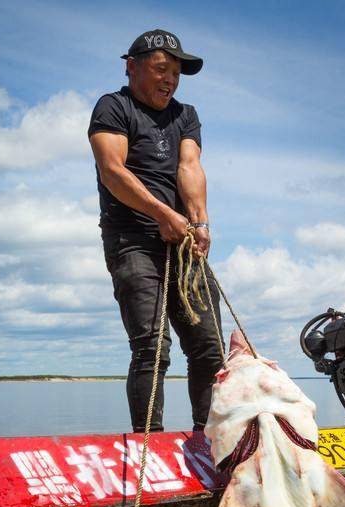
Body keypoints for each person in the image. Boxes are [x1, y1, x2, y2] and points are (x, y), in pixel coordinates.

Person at [88, 29, 223, 433]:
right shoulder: (113, 108)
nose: (170, 80)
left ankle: (209, 436)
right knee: (152, 347)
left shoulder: (186, 115)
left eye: (177, 73)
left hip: (182, 241)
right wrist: (161, 213)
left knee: (209, 346)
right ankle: (152, 441)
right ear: (132, 66)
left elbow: (189, 167)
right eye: (162, 69)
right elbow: (112, 171)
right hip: (132, 240)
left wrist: (198, 221)